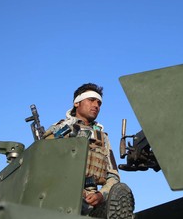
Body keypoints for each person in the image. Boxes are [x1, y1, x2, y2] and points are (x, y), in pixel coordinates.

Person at [43, 83, 134, 218]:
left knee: (122, 192)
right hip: (63, 197)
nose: (96, 105)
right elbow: (43, 166)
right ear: (77, 103)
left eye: (99, 103)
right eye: (91, 100)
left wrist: (101, 195)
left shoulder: (102, 137)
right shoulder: (60, 129)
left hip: (93, 201)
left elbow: (113, 176)